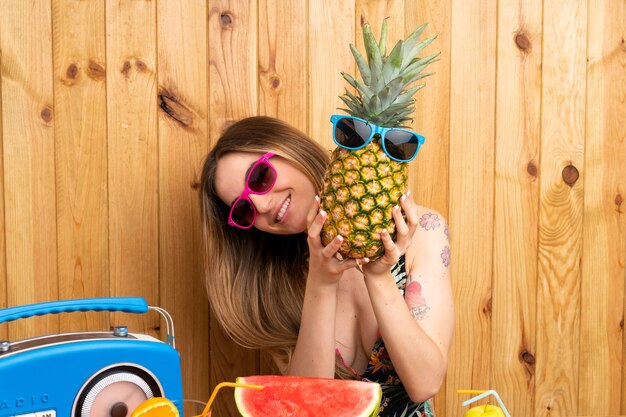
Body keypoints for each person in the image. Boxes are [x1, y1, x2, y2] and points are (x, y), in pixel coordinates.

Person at [199, 116, 454, 416]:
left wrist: (377, 274)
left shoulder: (425, 229)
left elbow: (425, 383)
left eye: (259, 178)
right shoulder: (274, 287)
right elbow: (307, 406)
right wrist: (321, 283)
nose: (263, 206)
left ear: (288, 148)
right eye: (245, 210)